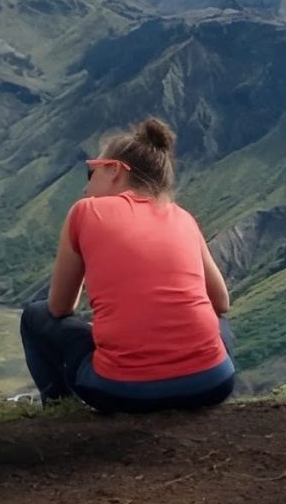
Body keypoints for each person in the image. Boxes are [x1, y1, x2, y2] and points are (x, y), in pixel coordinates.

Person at [20, 117, 234, 413]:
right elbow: (221, 302)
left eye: (90, 173)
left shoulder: (85, 211)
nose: (85, 189)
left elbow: (59, 308)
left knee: (34, 315)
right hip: (212, 385)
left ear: (115, 170)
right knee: (218, 324)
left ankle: (60, 408)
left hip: (121, 392)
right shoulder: (183, 217)